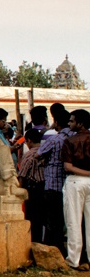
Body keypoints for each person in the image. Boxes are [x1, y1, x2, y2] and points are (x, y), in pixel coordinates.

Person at [37, 104, 73, 255]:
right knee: (71, 220)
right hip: (70, 182)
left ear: (56, 122)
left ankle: (55, 251)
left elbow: (39, 153)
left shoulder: (55, 139)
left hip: (53, 183)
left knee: (54, 221)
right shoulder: (75, 137)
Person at [61, 109, 90, 271]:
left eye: (72, 121)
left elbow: (68, 166)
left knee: (73, 221)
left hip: (75, 181)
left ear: (80, 123)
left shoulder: (70, 141)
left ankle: (73, 259)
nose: (69, 123)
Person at [18, 128, 45, 242]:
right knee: (41, 218)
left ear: (29, 140)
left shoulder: (29, 155)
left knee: (32, 218)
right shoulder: (45, 151)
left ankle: (33, 242)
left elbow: (22, 175)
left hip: (32, 189)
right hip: (44, 187)